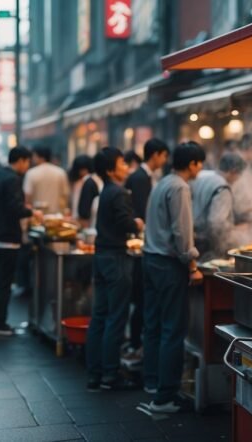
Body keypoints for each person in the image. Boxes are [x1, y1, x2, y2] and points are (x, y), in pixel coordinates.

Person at [141, 141, 205, 414]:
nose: (200, 168)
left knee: (154, 326)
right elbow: (182, 232)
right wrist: (192, 264)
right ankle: (165, 397)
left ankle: (153, 383)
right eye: (199, 163)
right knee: (172, 330)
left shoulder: (163, 182)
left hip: (150, 261)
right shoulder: (180, 186)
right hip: (168, 266)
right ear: (192, 164)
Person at [86, 147, 144, 392]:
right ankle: (110, 374)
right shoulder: (118, 192)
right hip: (116, 258)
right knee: (116, 317)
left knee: (99, 316)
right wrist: (137, 224)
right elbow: (125, 223)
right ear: (110, 170)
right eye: (122, 163)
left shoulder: (106, 191)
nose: (126, 167)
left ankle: (95, 374)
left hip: (101, 257)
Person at [0, 147, 44, 336]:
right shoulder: (13, 179)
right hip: (7, 240)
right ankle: (0, 324)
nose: (28, 167)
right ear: (21, 161)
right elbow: (14, 208)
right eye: (27, 162)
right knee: (3, 284)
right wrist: (32, 212)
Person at [123, 138, 169, 367]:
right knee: (141, 300)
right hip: (142, 244)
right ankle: (135, 344)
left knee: (141, 300)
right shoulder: (141, 178)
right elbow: (142, 213)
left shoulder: (145, 177)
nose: (165, 160)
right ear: (156, 155)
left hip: (144, 244)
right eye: (164, 155)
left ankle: (136, 343)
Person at [191, 152, 246, 260]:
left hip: (194, 238)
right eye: (239, 175)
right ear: (233, 171)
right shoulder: (222, 188)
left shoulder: (202, 177)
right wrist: (232, 233)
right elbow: (216, 222)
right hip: (208, 244)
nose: (238, 179)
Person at [23, 145, 70, 215]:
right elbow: (65, 194)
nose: (32, 159)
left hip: (37, 216)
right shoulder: (60, 172)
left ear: (38, 156)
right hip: (56, 216)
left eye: (34, 156)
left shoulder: (31, 173)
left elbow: (27, 196)